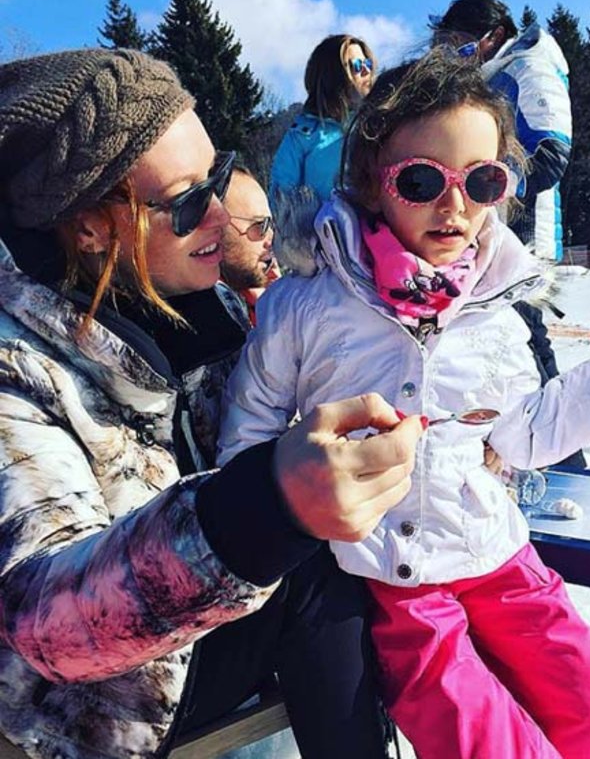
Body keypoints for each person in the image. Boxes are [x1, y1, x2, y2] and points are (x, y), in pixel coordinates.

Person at [218, 48, 590, 759]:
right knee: (483, 740)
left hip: (496, 552)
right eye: (422, 179)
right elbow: (249, 432)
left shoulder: (494, 306)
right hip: (396, 574)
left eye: (482, 180)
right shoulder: (307, 306)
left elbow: (523, 434)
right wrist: (291, 502)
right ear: (372, 182)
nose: (455, 205)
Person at [0, 48, 425, 759]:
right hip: (97, 706)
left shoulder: (208, 307)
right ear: (90, 227)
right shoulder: (18, 369)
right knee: (312, 567)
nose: (223, 219)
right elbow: (42, 618)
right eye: (189, 201)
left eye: (218, 178)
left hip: (209, 629)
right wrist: (261, 513)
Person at [429, 0, 571, 260]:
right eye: (449, 45)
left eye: (463, 43)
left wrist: (488, 186)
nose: (457, 55)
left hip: (526, 232)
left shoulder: (529, 68)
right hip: (491, 231)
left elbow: (550, 155)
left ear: (495, 36)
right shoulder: (488, 79)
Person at [269, 34, 375, 211]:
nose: (366, 71)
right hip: (321, 227)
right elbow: (280, 200)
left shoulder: (379, 125)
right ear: (333, 76)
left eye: (367, 64)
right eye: (356, 66)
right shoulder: (303, 134)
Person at [220, 162, 280, 326]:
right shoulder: (211, 323)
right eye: (260, 225)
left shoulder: (256, 306)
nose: (272, 239)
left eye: (271, 225)